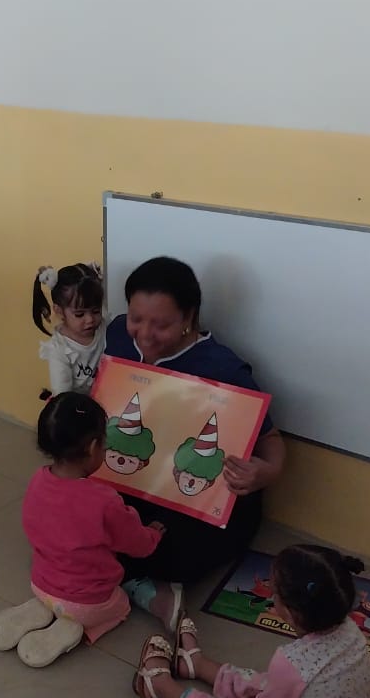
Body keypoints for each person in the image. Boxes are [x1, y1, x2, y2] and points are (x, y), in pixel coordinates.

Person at [104, 256, 285, 600]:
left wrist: (267, 472)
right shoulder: (117, 335)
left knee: (170, 553)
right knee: (76, 509)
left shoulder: (224, 369)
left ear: (189, 318)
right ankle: (132, 580)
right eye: (136, 318)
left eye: (161, 325)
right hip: (135, 473)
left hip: (197, 490)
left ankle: (136, 581)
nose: (145, 335)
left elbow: (271, 439)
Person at [134, 545, 370, 698]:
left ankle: (160, 686)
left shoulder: (290, 662)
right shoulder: (351, 631)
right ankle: (196, 665)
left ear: (289, 613)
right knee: (270, 684)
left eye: (274, 591)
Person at [0, 392, 181, 667]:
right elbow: (138, 545)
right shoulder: (104, 501)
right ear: (93, 448)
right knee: (121, 604)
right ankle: (76, 628)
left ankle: (44, 608)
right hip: (88, 603)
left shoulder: (37, 481)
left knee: (56, 590)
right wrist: (153, 533)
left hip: (40, 583)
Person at [33, 262, 106, 397]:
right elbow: (63, 394)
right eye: (80, 314)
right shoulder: (60, 350)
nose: (90, 319)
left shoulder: (103, 327)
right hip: (78, 404)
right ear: (59, 311)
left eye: (96, 311)